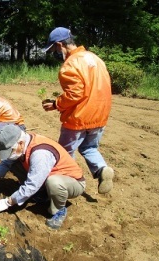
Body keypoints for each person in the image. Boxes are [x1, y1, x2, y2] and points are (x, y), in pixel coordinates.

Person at [41, 27, 114, 194]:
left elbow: (75, 93)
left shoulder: (69, 65)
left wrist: (56, 104)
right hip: (100, 115)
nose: (55, 54)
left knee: (65, 153)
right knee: (89, 148)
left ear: (60, 45)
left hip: (78, 117)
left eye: (54, 50)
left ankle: (70, 182)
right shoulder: (95, 59)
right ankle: (102, 169)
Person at [0, 125, 86, 229]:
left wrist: (7, 202)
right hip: (46, 175)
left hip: (72, 183)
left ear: (20, 143)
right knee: (13, 162)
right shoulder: (23, 142)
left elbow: (32, 184)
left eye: (10, 150)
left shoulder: (40, 154)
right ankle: (41, 193)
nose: (9, 153)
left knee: (53, 182)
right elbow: (5, 163)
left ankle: (59, 209)